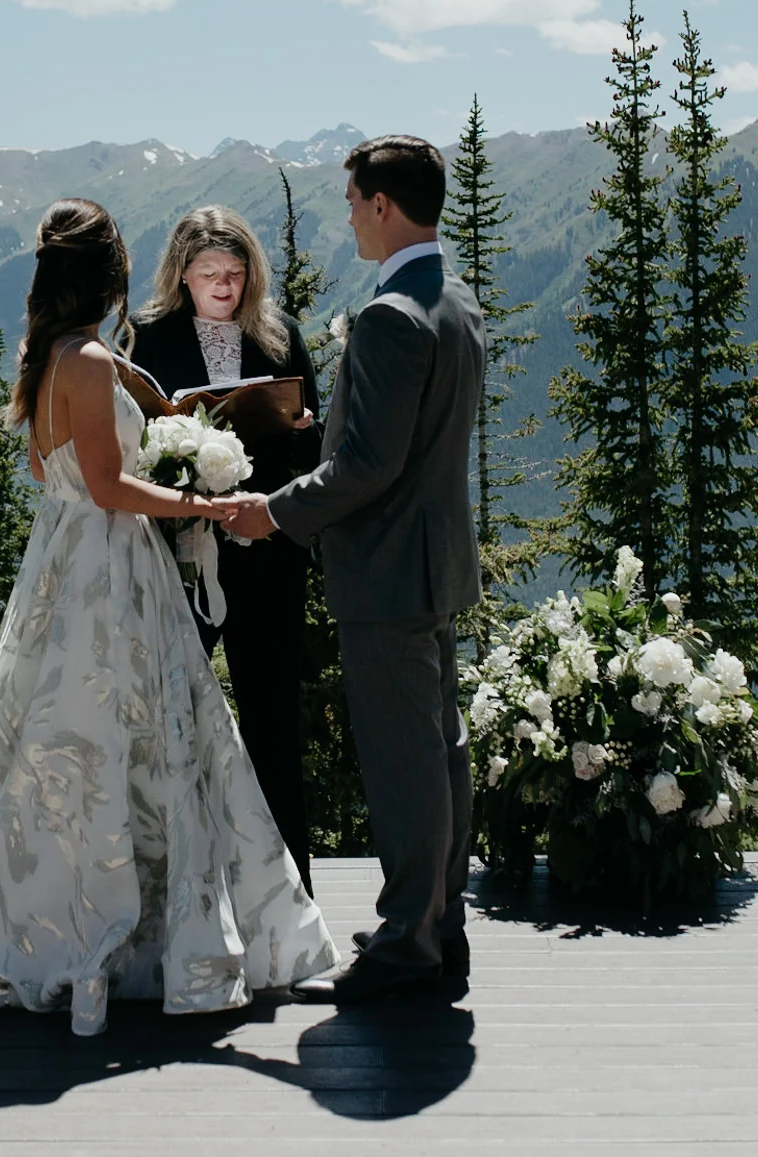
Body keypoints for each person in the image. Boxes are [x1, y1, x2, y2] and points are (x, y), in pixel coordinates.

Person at [0, 198, 336, 1038]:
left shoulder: (56, 357)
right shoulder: (88, 360)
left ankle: (70, 904)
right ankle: (120, 923)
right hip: (110, 561)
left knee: (68, 740)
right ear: (111, 275)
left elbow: (56, 467)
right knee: (139, 736)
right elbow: (111, 485)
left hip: (67, 560)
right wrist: (205, 496)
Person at [224, 136, 483, 1005]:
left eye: (352, 200)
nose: (346, 216)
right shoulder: (455, 301)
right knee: (440, 752)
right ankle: (436, 925)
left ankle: (408, 941)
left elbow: (368, 464)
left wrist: (276, 510)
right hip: (437, 559)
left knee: (406, 760)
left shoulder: (387, 317)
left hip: (385, 571)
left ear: (381, 205)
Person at [127, 206, 323, 893]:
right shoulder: (145, 338)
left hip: (266, 554)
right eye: (210, 271)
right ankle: (176, 889)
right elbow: (129, 443)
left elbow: (314, 450)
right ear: (182, 272)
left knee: (274, 725)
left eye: (236, 272)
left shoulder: (279, 336)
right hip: (181, 558)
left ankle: (289, 891)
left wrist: (296, 428)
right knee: (172, 721)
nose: (224, 284)